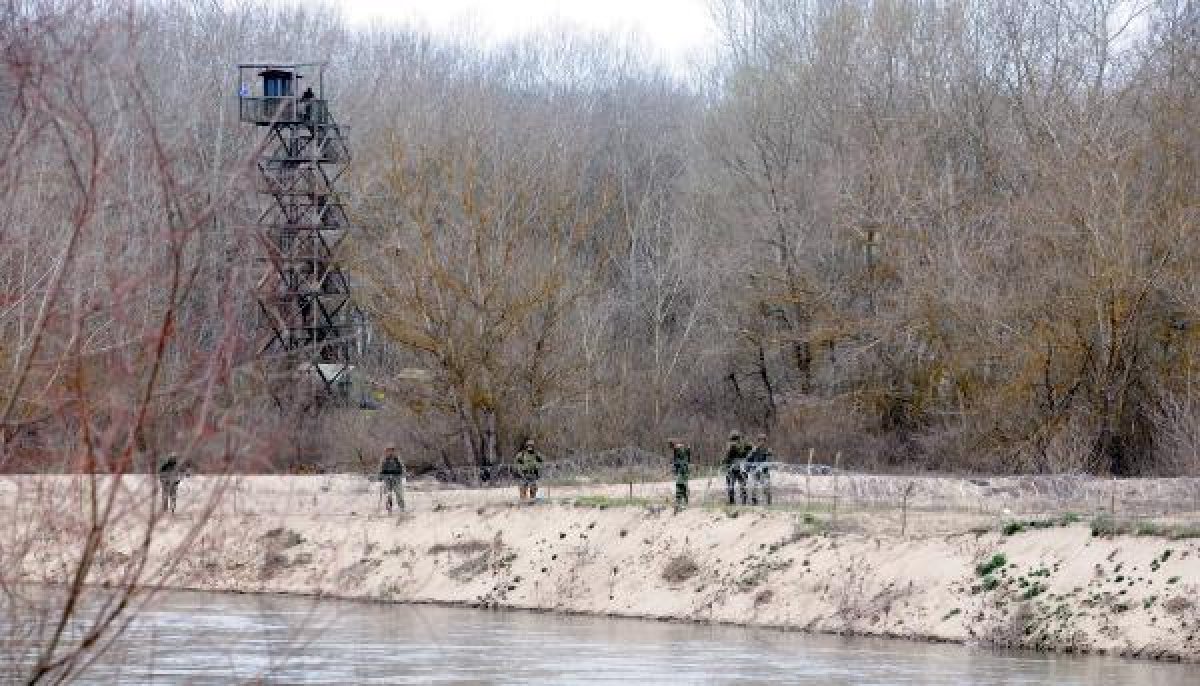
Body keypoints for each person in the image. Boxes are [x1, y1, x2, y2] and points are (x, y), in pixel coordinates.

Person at [722, 430, 751, 505]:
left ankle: (742, 501)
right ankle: (733, 501)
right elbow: (726, 459)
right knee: (732, 486)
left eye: (735, 439)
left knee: (742, 485)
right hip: (733, 469)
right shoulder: (732, 447)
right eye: (733, 439)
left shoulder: (744, 445)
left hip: (740, 469)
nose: (734, 441)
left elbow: (751, 451)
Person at [746, 433, 773, 506]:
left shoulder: (768, 450)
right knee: (754, 487)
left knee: (766, 487)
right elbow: (748, 459)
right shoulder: (754, 450)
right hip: (756, 472)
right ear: (758, 441)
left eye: (763, 441)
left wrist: (766, 462)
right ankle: (754, 502)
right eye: (760, 441)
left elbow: (769, 460)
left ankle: (769, 502)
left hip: (764, 472)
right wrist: (748, 469)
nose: (762, 442)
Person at [378, 446, 406, 513]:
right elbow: (380, 469)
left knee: (399, 493)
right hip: (386, 479)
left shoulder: (397, 459)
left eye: (391, 451)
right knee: (388, 494)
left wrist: (403, 476)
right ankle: (389, 507)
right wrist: (380, 477)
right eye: (388, 451)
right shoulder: (384, 459)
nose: (390, 452)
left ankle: (402, 507)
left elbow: (402, 468)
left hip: (396, 478)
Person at [668, 439, 691, 509]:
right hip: (681, 471)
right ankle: (680, 502)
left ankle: (682, 502)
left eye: (671, 446)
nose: (671, 448)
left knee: (681, 485)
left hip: (683, 471)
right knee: (681, 486)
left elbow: (684, 460)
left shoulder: (679, 449)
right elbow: (678, 460)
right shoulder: (678, 450)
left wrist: (676, 466)